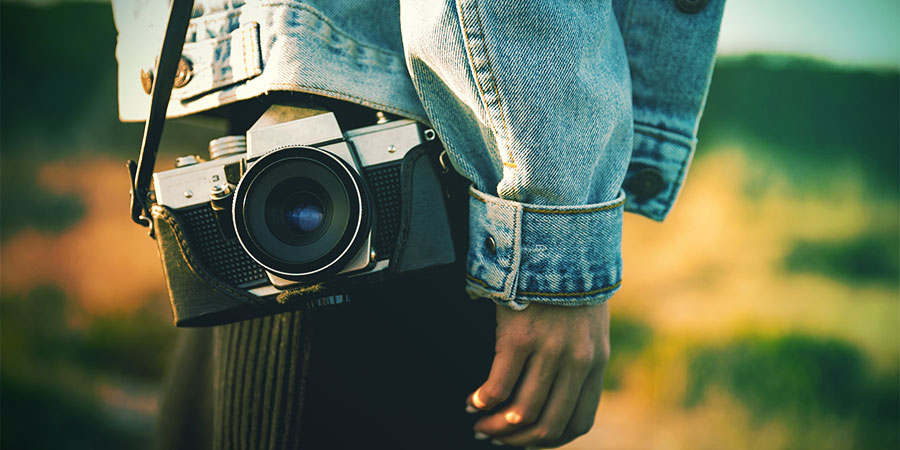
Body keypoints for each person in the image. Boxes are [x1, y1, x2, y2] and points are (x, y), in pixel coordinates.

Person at [113, 0, 725, 448]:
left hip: (285, 96)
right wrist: (550, 246)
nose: (304, 219)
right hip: (424, 160)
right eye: (300, 216)